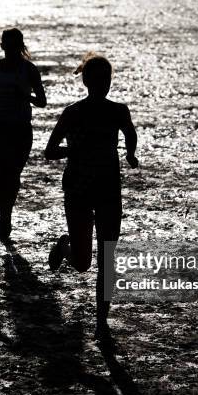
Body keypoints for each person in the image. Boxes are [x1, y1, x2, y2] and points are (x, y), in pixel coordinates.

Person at [44, 54, 138, 343]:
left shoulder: (119, 110)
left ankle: (101, 323)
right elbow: (49, 150)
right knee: (84, 263)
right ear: (86, 81)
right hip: (78, 189)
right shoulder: (72, 113)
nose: (103, 85)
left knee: (108, 258)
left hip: (109, 189)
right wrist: (74, 152)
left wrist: (130, 154)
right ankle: (65, 246)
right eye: (97, 80)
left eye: (106, 80)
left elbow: (130, 134)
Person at [0, 28, 46, 242]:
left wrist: (26, 96)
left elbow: (42, 101)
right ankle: (5, 217)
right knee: (5, 170)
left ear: (20, 47)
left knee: (13, 174)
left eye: (15, 46)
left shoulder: (29, 69)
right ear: (2, 46)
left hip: (22, 129)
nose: (11, 50)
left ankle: (6, 213)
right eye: (7, 45)